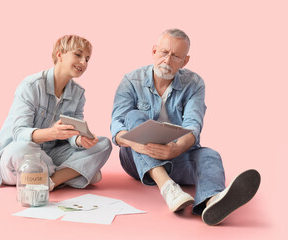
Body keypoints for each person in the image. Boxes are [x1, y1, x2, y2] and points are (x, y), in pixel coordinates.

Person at [110, 29, 260, 226]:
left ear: (185, 61)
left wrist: (176, 148)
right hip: (136, 158)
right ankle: (167, 188)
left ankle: (212, 201)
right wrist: (133, 143)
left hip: (176, 154)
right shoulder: (131, 80)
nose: (167, 60)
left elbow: (193, 126)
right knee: (133, 116)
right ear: (154, 51)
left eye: (176, 56)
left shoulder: (195, 83)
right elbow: (117, 123)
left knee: (210, 155)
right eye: (164, 52)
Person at [0, 35, 112, 191]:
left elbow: (73, 130)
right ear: (59, 54)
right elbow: (19, 132)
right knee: (19, 150)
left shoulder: (78, 94)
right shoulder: (31, 86)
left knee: (103, 144)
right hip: (23, 154)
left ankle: (50, 182)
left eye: (87, 59)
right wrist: (52, 133)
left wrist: (80, 139)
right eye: (78, 55)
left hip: (51, 154)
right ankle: (72, 173)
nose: (83, 63)